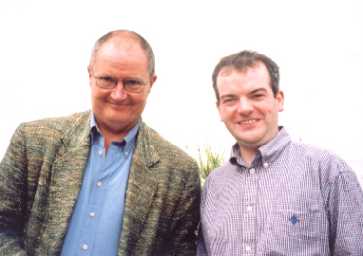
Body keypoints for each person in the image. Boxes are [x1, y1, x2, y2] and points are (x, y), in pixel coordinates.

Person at [0, 29, 201, 256]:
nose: (118, 94)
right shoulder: (33, 141)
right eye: (107, 79)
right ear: (90, 74)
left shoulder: (179, 173)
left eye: (132, 83)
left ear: (151, 83)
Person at [197, 50, 363, 255]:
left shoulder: (328, 171)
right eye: (230, 99)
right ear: (219, 109)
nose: (244, 108)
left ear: (279, 99)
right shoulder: (213, 186)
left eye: (256, 95)